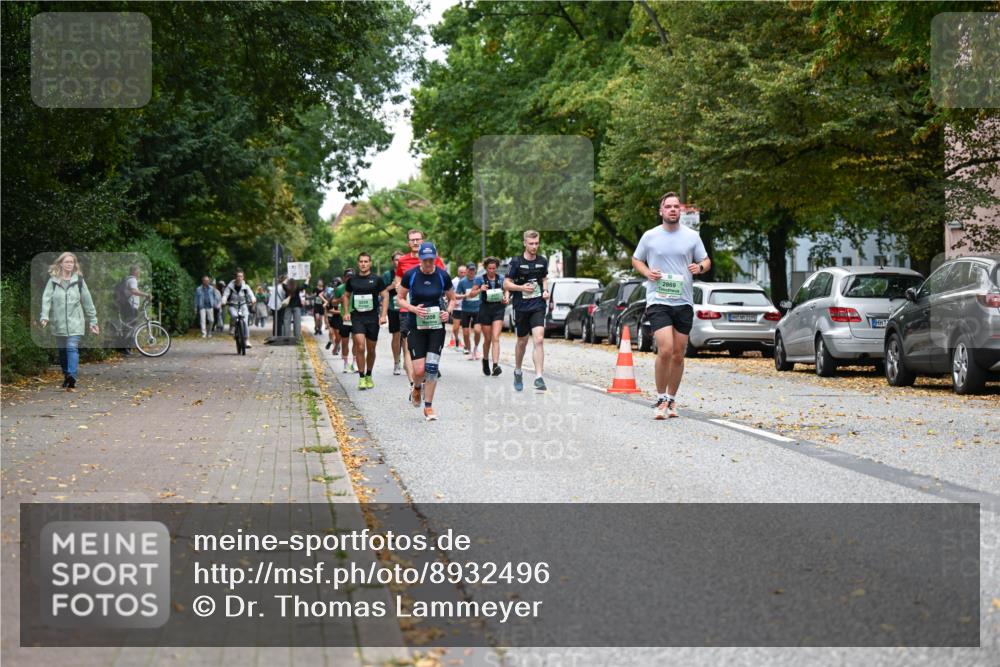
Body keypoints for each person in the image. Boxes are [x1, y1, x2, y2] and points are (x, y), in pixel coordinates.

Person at [631, 192, 711, 419]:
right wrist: (647, 272)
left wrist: (700, 268)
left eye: (676, 206)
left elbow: (705, 260)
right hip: (658, 299)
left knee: (678, 353)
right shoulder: (650, 236)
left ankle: (672, 399)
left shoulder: (692, 237)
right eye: (668, 206)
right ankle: (660, 398)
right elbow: (636, 259)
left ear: (680, 211)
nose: (673, 210)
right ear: (661, 211)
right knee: (665, 349)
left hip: (683, 300)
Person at [397, 242, 455, 421]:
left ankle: (428, 407)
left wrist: (448, 312)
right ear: (420, 259)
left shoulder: (443, 275)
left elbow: (452, 299)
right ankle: (416, 388)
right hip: (416, 325)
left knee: (431, 367)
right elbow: (400, 298)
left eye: (431, 260)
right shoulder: (411, 275)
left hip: (436, 326)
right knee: (419, 369)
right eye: (425, 260)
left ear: (436, 258)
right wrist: (413, 309)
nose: (429, 264)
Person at [39, 252, 99, 390]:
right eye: (66, 262)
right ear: (61, 264)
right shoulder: (53, 281)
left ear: (74, 264)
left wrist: (93, 320)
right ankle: (67, 375)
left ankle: (72, 375)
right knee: (62, 351)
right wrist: (44, 316)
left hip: (75, 322)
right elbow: (46, 299)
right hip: (58, 323)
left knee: (72, 348)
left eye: (71, 262)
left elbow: (87, 301)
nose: (69, 264)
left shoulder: (79, 281)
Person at [394, 229, 446, 387]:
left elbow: (443, 280)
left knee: (431, 343)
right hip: (409, 309)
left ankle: (426, 368)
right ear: (408, 243)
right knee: (408, 345)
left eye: (418, 239)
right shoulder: (403, 261)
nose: (415, 242)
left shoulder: (436, 259)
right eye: (412, 240)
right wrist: (401, 287)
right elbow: (398, 282)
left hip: (432, 311)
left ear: (423, 241)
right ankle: (413, 382)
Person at [504, 230, 549, 392]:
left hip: (537, 305)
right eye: (531, 243)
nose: (534, 246)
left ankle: (538, 377)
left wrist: (545, 290)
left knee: (539, 339)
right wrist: (521, 287)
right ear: (525, 243)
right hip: (521, 306)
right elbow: (506, 284)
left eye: (536, 243)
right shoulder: (516, 262)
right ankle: (518, 370)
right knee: (522, 341)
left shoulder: (543, 261)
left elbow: (544, 278)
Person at [344, 253, 389, 389]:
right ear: (358, 263)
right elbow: (346, 296)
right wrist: (346, 312)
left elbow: (385, 296)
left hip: (372, 318)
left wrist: (383, 315)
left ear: (370, 263)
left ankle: (369, 374)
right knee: (360, 346)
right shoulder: (352, 280)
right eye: (361, 261)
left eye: (366, 261)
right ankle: (362, 377)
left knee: (371, 348)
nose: (363, 264)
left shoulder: (377, 279)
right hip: (357, 317)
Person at [470, 256, 508, 376]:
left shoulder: (501, 278)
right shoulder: (479, 279)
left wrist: (506, 297)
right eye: (489, 268)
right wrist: (480, 289)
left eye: (494, 268)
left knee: (495, 337)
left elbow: (506, 289)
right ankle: (485, 360)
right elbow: (471, 294)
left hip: (498, 309)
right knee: (488, 339)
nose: (492, 270)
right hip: (485, 309)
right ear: (486, 268)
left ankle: (496, 365)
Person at [221, 269, 257, 349]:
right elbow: (225, 295)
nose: (239, 278)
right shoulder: (230, 287)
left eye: (241, 276)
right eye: (238, 276)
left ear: (243, 277)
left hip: (243, 306)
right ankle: (233, 327)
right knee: (234, 315)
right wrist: (223, 301)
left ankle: (246, 340)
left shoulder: (246, 287)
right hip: (232, 305)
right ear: (235, 277)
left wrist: (253, 299)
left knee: (245, 322)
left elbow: (251, 294)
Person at [382, 252, 405, 375]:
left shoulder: (408, 272)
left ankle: (408, 361)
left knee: (406, 336)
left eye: (401, 259)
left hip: (407, 307)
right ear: (393, 261)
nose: (399, 262)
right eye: (396, 260)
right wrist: (392, 286)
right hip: (393, 308)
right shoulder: (388, 275)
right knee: (396, 336)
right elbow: (381, 291)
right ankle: (396, 362)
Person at [455, 262, 482, 360]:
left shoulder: (479, 280)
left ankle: (475, 348)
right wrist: (465, 296)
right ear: (466, 270)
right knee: (466, 333)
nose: (471, 272)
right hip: (466, 310)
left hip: (478, 309)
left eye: (473, 270)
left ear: (475, 270)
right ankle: (470, 351)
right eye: (470, 270)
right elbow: (456, 295)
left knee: (478, 331)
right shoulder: (462, 282)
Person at [333, 269, 354, 372]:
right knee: (345, 342)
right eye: (348, 276)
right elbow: (333, 302)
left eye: (351, 276)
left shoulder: (358, 287)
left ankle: (355, 363)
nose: (349, 278)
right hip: (344, 318)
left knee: (357, 342)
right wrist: (339, 300)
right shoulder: (340, 288)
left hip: (356, 317)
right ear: (344, 278)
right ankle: (345, 364)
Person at [449, 264, 468, 350]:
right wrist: (452, 302)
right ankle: (456, 338)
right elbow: (449, 293)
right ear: (458, 272)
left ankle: (466, 345)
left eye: (464, 272)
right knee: (456, 327)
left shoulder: (469, 281)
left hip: (466, 307)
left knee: (466, 328)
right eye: (461, 272)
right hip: (456, 307)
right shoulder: (454, 281)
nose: (463, 274)